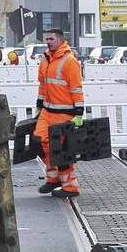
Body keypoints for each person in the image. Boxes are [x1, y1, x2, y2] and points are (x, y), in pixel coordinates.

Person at [34, 28, 85, 198]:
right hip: (47, 111)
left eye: (51, 39)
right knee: (40, 141)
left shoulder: (69, 61)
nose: (48, 42)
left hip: (64, 113)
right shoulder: (45, 59)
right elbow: (43, 85)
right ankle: (53, 179)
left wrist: (78, 112)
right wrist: (39, 104)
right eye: (46, 39)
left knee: (60, 149)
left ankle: (70, 186)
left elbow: (76, 88)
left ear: (60, 40)